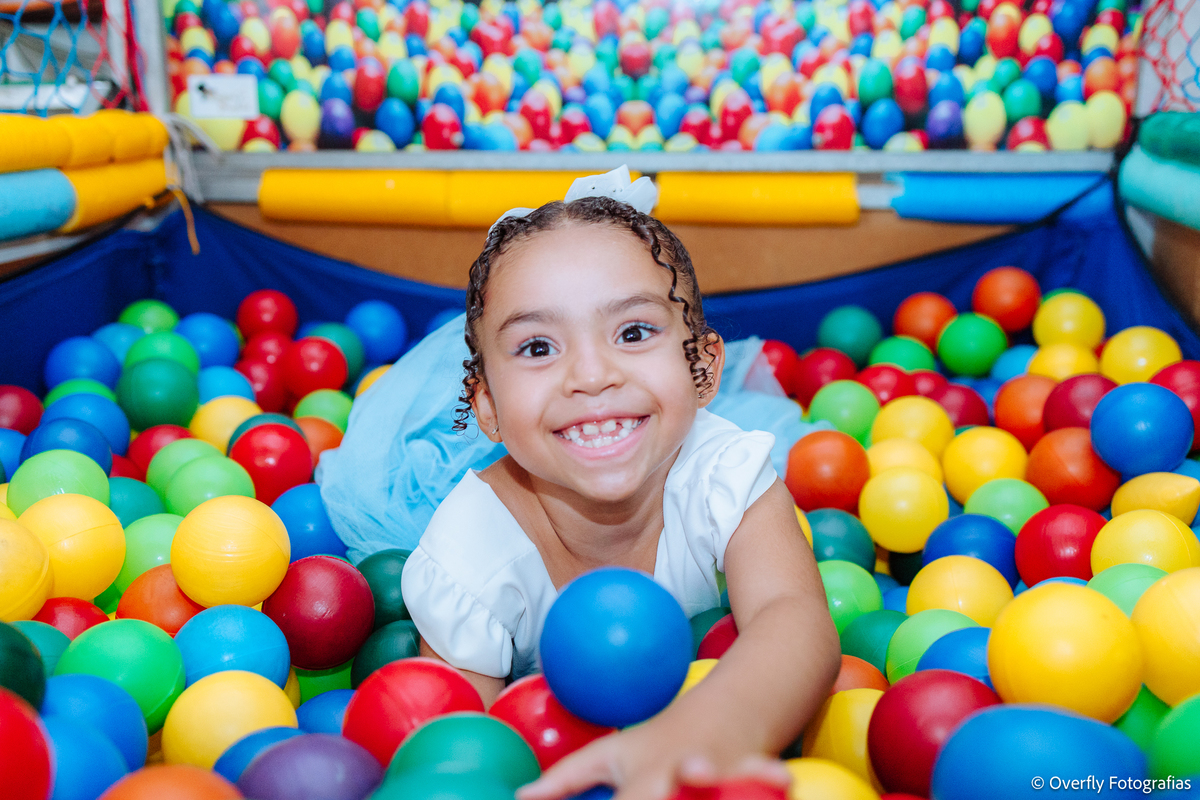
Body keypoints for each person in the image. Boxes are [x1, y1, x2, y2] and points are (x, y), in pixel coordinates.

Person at [399, 170, 840, 800]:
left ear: (703, 370)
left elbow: (794, 619)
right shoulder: (470, 557)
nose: (591, 373)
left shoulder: (724, 477)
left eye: (633, 333)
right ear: (489, 408)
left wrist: (710, 731)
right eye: (538, 347)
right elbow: (461, 746)